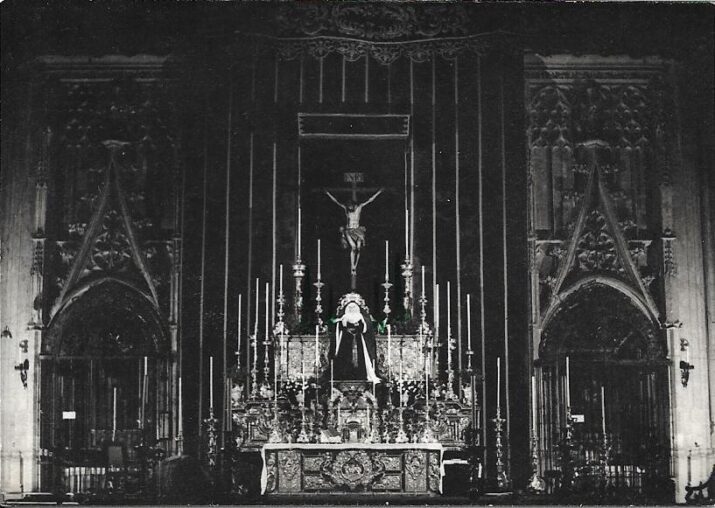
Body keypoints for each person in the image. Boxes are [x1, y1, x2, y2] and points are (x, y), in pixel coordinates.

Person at [325, 188, 383, 276]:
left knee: (359, 248)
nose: (349, 208)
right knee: (353, 248)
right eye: (348, 206)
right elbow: (336, 202)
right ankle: (352, 266)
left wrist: (378, 192)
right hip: (349, 230)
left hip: (358, 230)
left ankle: (355, 266)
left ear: (353, 205)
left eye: (350, 206)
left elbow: (370, 200)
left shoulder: (359, 208)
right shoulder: (346, 210)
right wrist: (328, 193)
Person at [331, 293, 380, 383]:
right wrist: (343, 324)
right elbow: (339, 327)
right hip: (346, 340)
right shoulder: (344, 316)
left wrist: (358, 326)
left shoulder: (360, 316)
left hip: (358, 339)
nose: (352, 309)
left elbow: (365, 328)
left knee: (360, 357)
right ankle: (345, 375)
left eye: (354, 307)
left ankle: (360, 374)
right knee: (345, 357)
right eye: (350, 307)